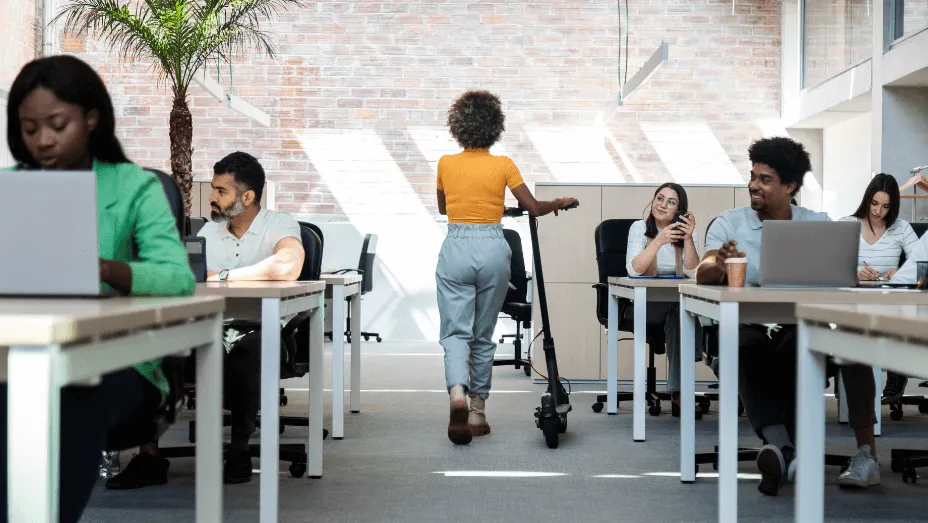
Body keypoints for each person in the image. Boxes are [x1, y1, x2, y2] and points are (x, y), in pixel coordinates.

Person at [1, 55, 195, 523]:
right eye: (29, 128)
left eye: (56, 125)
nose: (42, 140)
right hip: (18, 349)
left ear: (91, 118)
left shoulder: (133, 187)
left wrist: (107, 269)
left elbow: (177, 277)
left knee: (66, 392)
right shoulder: (10, 187)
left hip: (118, 357)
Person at [107, 151, 305, 487]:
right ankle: (149, 456)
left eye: (220, 191)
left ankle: (239, 448)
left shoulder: (279, 223)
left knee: (248, 351)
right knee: (148, 347)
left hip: (261, 327)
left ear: (247, 197)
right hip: (206, 326)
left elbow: (286, 265)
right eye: (212, 189)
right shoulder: (207, 235)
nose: (211, 197)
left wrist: (222, 276)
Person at [696, 136, 879, 495]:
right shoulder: (728, 224)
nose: (753, 185)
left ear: (789, 186)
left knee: (834, 341)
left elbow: (844, 276)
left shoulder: (818, 224)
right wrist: (718, 259)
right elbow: (703, 273)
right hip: (749, 326)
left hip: (802, 326)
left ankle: (858, 455)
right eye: (752, 176)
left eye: (765, 179)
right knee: (743, 348)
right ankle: (784, 449)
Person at [436, 91, 577, 445]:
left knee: (456, 332)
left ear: (458, 126)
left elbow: (444, 207)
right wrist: (558, 202)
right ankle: (477, 412)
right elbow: (532, 207)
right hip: (494, 249)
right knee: (482, 335)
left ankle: (457, 393)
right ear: (495, 126)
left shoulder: (445, 163)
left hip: (456, 246)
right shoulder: (503, 164)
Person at [840, 174, 919, 405]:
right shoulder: (847, 224)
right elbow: (831, 263)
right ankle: (844, 375)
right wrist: (854, 271)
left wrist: (903, 272)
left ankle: (896, 375)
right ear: (867, 199)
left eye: (885, 206)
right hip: (853, 299)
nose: (878, 211)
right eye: (874, 204)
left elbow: (922, 263)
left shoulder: (901, 228)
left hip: (889, 299)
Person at [625, 182, 699, 414]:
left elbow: (694, 272)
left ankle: (679, 390)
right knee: (683, 315)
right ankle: (683, 386)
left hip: (676, 304)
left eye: (671, 201)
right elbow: (634, 269)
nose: (662, 205)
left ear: (680, 209)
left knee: (681, 314)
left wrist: (687, 238)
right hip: (645, 303)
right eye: (659, 198)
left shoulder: (686, 231)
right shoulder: (639, 228)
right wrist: (658, 240)